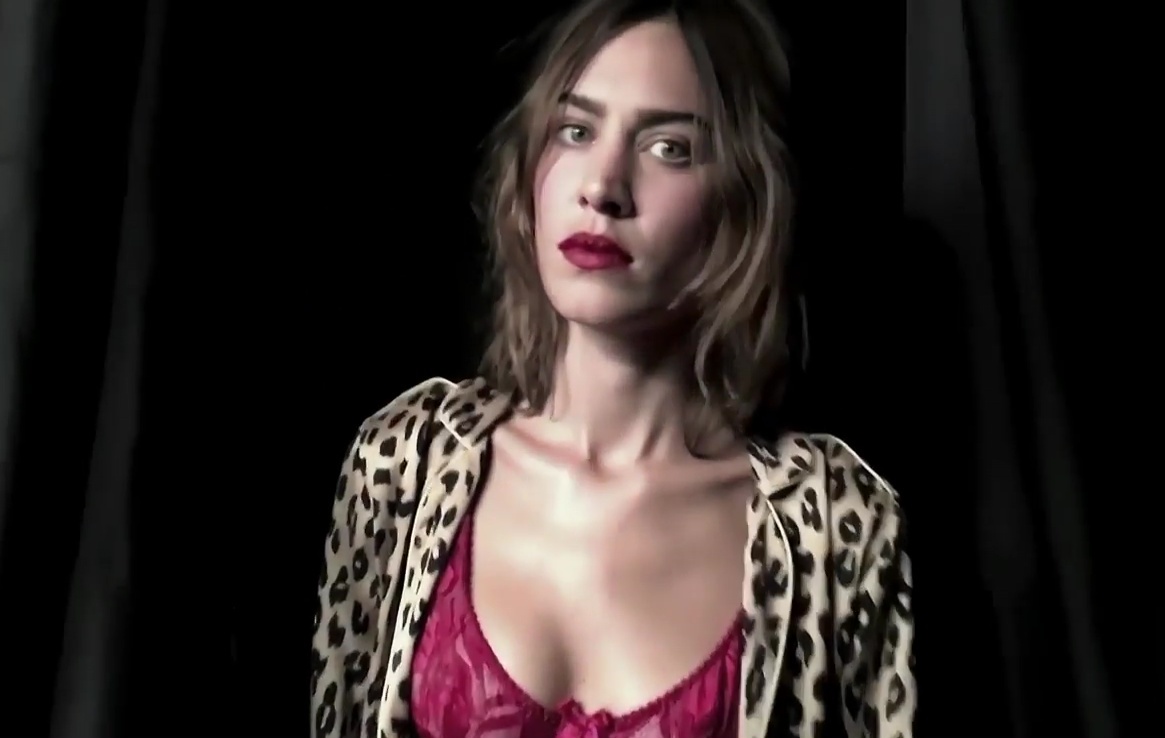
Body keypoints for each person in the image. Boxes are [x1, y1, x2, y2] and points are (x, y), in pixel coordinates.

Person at [310, 0, 915, 736]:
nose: (602, 187)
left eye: (669, 148)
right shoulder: (404, 465)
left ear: (744, 203)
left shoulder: (834, 530)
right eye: (576, 130)